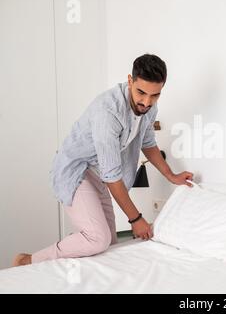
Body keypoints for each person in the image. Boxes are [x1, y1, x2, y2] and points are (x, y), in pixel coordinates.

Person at [13, 54, 193, 267]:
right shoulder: (108, 112)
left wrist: (171, 176)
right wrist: (136, 220)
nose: (146, 102)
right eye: (141, 93)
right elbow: (112, 176)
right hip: (77, 170)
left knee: (108, 246)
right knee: (98, 239)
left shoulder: (149, 108)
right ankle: (28, 260)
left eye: (155, 95)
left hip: (99, 176)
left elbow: (147, 142)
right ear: (130, 80)